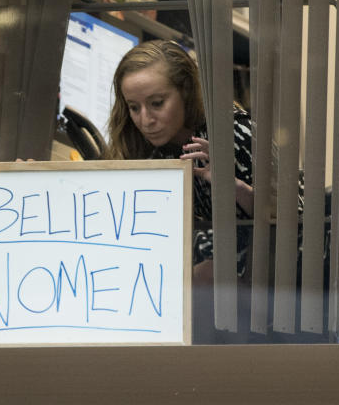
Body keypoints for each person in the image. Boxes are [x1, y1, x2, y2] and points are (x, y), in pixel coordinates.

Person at [107, 39, 255, 285]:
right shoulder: (142, 147)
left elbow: (294, 226)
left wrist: (234, 186)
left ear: (185, 91)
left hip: (248, 297)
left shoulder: (232, 133)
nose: (145, 120)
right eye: (134, 107)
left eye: (157, 104)